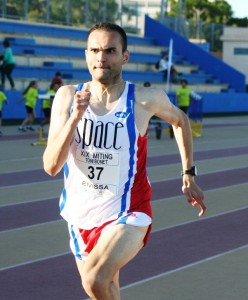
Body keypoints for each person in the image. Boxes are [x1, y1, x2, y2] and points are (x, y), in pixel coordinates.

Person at [43, 23, 206, 299]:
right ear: (86, 55)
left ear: (124, 56)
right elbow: (51, 166)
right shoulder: (67, 97)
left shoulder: (144, 99)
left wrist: (188, 173)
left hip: (129, 210)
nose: (101, 57)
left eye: (110, 50)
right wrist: (75, 117)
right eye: (94, 50)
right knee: (106, 290)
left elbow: (181, 121)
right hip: (80, 215)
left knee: (94, 280)